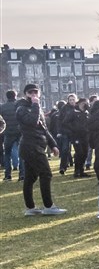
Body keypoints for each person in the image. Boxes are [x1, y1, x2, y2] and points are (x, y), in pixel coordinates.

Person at [16, 84, 67, 216]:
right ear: (25, 94)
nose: (33, 94)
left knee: (30, 177)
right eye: (30, 92)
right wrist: (35, 105)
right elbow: (32, 122)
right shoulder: (21, 108)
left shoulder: (35, 108)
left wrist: (53, 144)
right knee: (45, 174)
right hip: (30, 146)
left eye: (35, 92)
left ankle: (30, 208)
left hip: (36, 145)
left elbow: (43, 128)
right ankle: (48, 206)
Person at [2, 90, 23, 181]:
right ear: (15, 96)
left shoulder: (2, 107)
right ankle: (22, 174)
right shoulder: (20, 106)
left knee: (7, 154)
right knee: (21, 154)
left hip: (8, 133)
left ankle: (8, 175)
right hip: (19, 132)